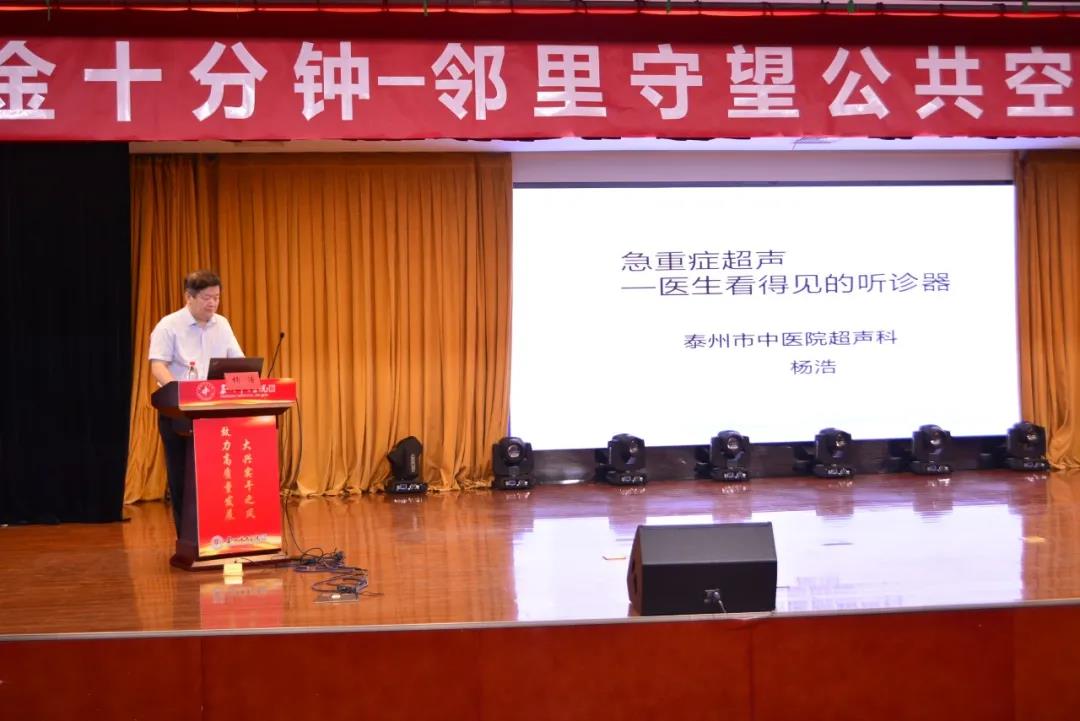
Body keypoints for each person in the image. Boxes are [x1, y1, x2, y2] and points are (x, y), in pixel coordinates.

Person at [148, 270, 244, 534]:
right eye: (206, 298)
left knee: (217, 474)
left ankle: (220, 533)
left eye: (217, 297)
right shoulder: (168, 325)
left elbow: (238, 362)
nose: (213, 303)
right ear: (188, 297)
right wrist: (179, 395)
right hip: (178, 412)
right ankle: (188, 537)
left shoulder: (222, 325)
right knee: (183, 476)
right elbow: (158, 366)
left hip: (215, 412)